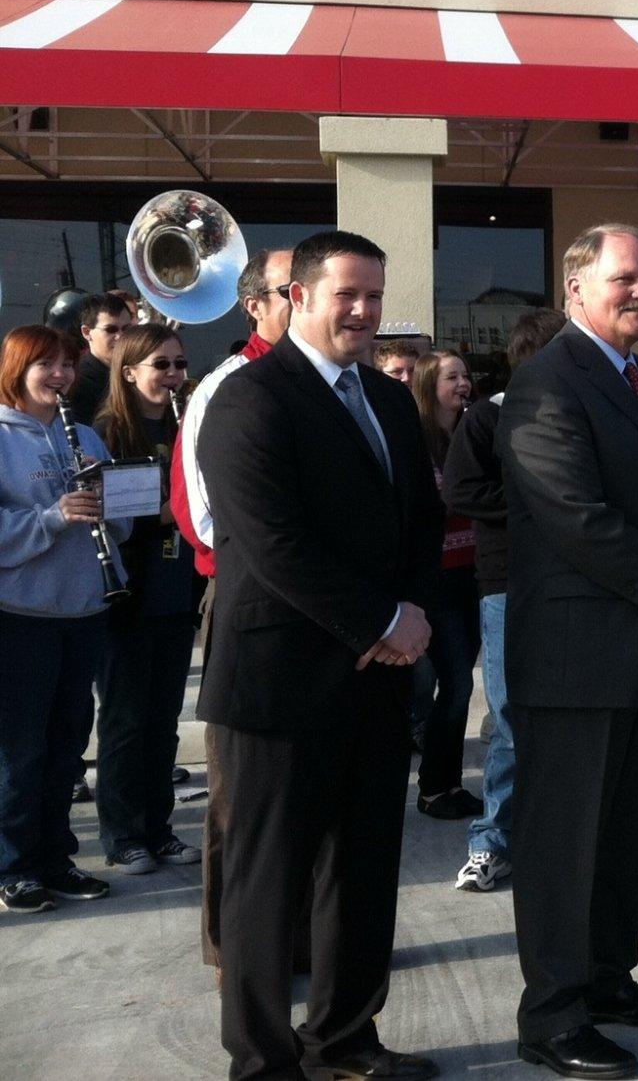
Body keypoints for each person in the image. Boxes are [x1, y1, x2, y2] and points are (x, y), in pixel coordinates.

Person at [198, 230, 444, 1080]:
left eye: (374, 296)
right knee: (267, 888)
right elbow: (274, 544)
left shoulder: (388, 399)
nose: (365, 312)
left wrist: (412, 614)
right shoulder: (247, 397)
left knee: (362, 875)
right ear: (297, 296)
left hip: (377, 682)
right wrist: (381, 620)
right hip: (279, 688)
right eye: (348, 295)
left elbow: (420, 520)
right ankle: (263, 1063)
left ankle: (344, 1041)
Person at [499, 224, 638, 1080]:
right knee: (563, 847)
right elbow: (574, 514)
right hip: (576, 660)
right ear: (576, 287)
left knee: (620, 836)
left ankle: (607, 981)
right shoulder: (546, 380)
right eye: (626, 278)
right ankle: (552, 1018)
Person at [169, 245, 292, 969]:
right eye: (292, 292)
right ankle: (237, 948)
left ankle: (300, 939)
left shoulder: (331, 383)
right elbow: (199, 515)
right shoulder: (224, 387)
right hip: (250, 599)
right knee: (241, 792)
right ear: (255, 305)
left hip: (318, 611)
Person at [0, 325, 131, 914]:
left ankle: (56, 858)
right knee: (20, 751)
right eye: (45, 365)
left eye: (67, 365)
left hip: (85, 608)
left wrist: (114, 499)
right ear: (16, 369)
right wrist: (53, 516)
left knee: (67, 747)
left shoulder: (86, 435)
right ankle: (14, 866)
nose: (60, 376)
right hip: (21, 616)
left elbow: (122, 524)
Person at [447, 307, 566, 895]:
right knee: (511, 716)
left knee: (566, 716)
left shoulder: (579, 412)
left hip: (572, 584)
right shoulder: (485, 418)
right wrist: (536, 505)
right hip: (507, 586)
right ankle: (492, 842)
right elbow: (462, 490)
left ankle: (552, 835)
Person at [91, 324, 200, 875]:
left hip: (178, 591)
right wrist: (173, 510)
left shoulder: (188, 424)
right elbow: (115, 518)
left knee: (163, 722)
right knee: (125, 722)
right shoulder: (109, 430)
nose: (174, 375)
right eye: (161, 365)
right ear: (129, 371)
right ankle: (122, 835)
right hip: (130, 596)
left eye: (179, 364)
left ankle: (158, 828)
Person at [409, 350, 482, 819]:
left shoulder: (472, 433)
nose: (462, 383)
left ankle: (448, 783)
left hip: (472, 574)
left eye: (465, 376)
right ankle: (435, 787)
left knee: (460, 684)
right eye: (451, 377)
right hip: (435, 579)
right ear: (428, 385)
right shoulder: (417, 441)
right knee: (455, 683)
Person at [67, 293, 133, 423]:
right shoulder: (77, 382)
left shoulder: (140, 372)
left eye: (126, 329)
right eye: (111, 330)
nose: (120, 337)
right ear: (86, 332)